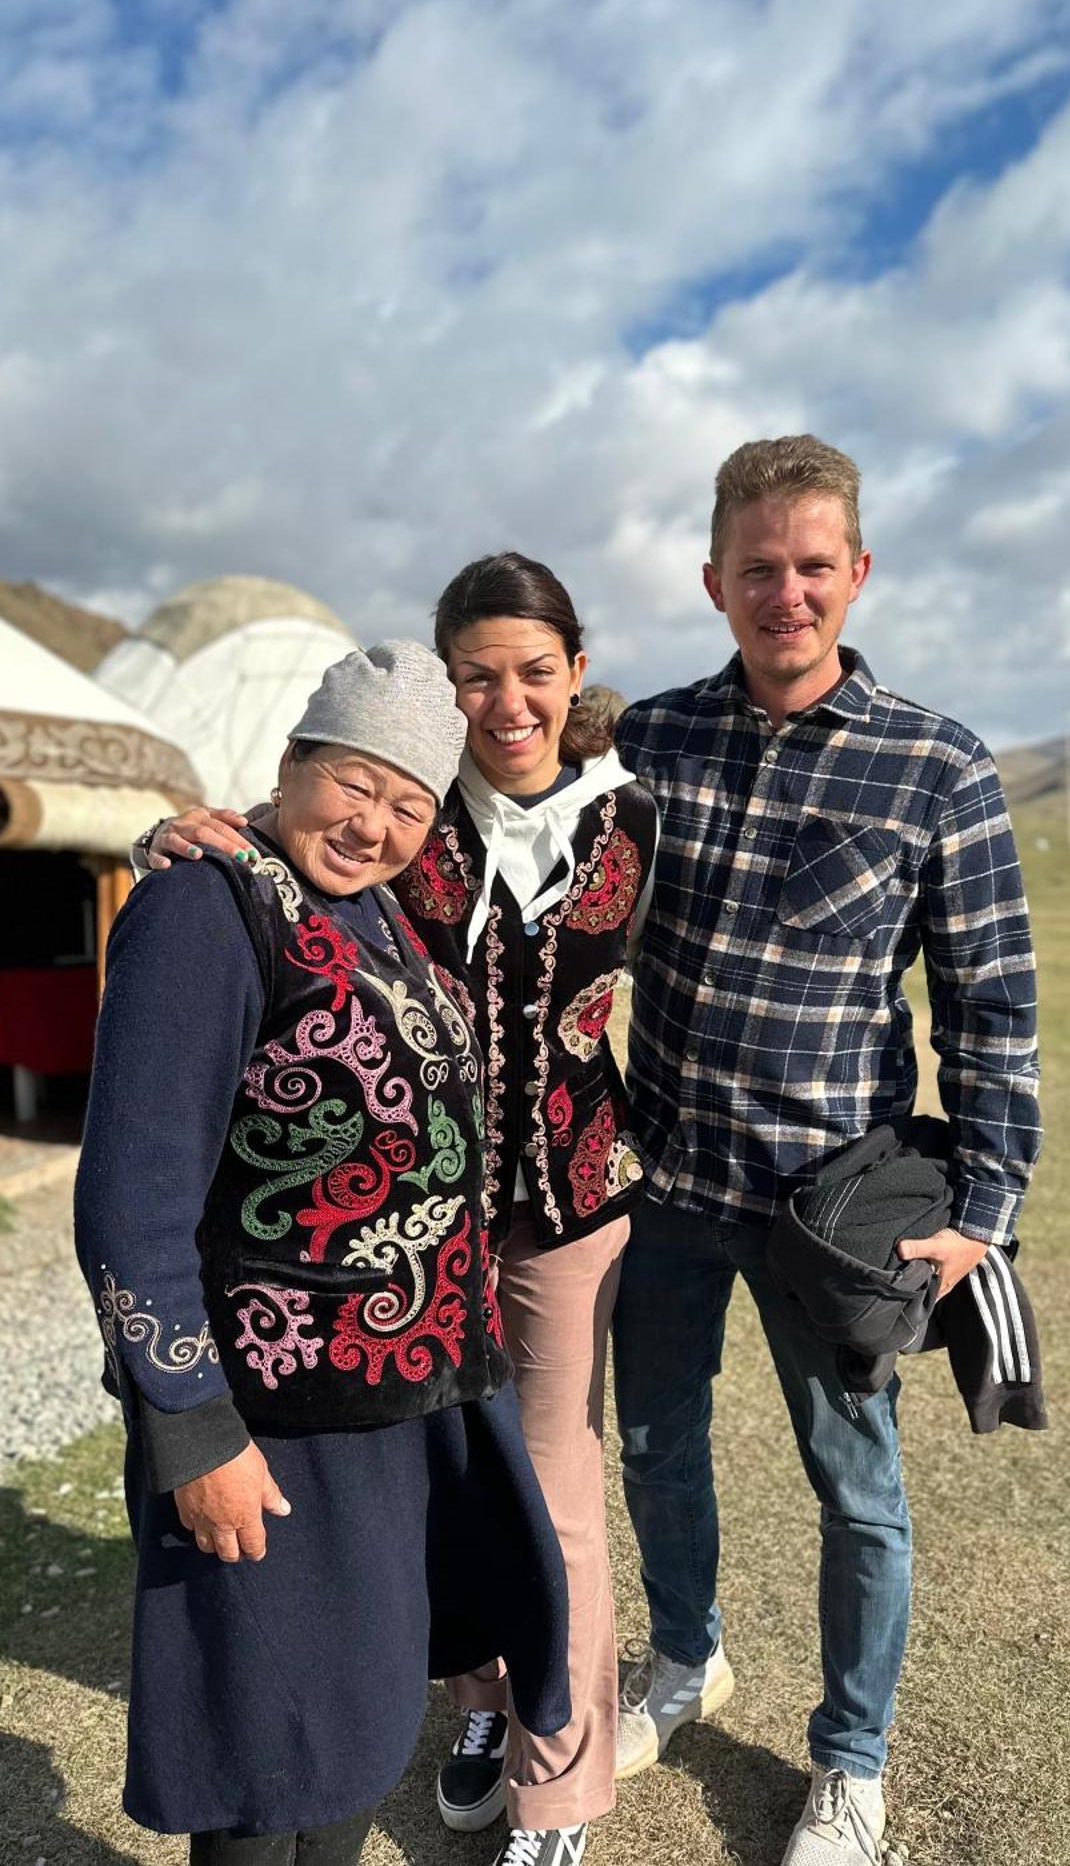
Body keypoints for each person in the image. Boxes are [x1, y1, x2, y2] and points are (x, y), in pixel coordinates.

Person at [145, 556, 657, 1866]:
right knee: (353, 1618)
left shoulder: (631, 817)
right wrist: (193, 835)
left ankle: (555, 1791)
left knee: (542, 1515)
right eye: (478, 674)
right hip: (355, 1309)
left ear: (574, 673)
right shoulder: (371, 856)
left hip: (541, 1234)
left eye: (533, 671)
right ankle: (475, 1710)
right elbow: (152, 1156)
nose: (507, 698)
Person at [609, 436, 1041, 1866]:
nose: (783, 593)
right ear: (714, 581)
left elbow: (991, 1005)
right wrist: (241, 833)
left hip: (829, 1211)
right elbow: (464, 805)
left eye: (810, 567)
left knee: (856, 1492)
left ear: (855, 574)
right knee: (662, 1449)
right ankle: (686, 1660)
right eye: (756, 569)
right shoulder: (649, 741)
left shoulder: (938, 765)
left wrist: (983, 1207)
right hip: (663, 1182)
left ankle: (851, 1762)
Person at [76, 640, 570, 1866]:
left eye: (409, 803)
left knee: (352, 1731)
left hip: (395, 1417)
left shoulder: (376, 914)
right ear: (291, 762)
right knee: (259, 1755)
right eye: (353, 781)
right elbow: (131, 1199)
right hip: (265, 1421)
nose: (375, 822)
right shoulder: (206, 906)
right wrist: (190, 1425)